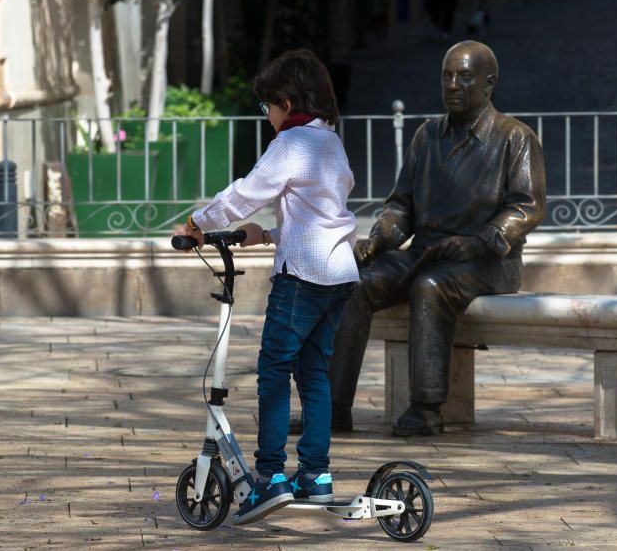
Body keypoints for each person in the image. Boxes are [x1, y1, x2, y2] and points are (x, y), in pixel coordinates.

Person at [173, 49, 359, 524]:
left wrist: (198, 220)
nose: (267, 117)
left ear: (287, 101)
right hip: (338, 275)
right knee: (313, 373)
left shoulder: (291, 143)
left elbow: (246, 193)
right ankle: (315, 476)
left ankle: (270, 478)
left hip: (302, 277)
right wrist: (270, 234)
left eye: (268, 107)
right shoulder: (329, 142)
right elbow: (320, 212)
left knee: (274, 372)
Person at [329, 40, 546, 436]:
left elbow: (526, 206)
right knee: (354, 283)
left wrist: (480, 240)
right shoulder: (426, 136)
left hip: (488, 261)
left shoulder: (515, 138)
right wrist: (377, 240)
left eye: (464, 77)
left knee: (430, 287)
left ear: (489, 83)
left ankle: (427, 409)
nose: (453, 85)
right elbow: (401, 207)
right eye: (447, 76)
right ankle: (333, 407)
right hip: (426, 251)